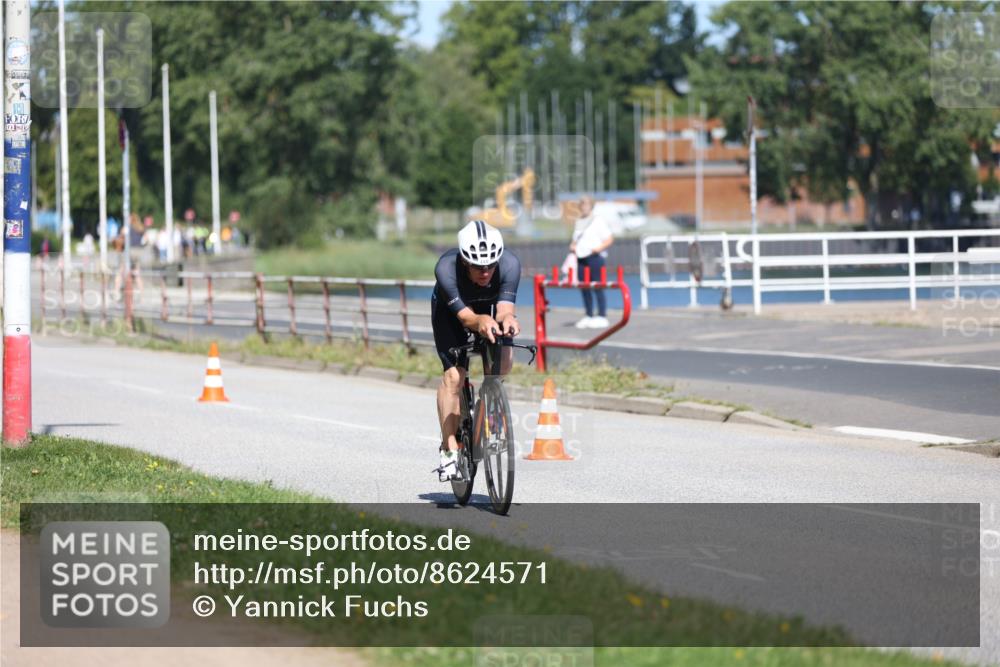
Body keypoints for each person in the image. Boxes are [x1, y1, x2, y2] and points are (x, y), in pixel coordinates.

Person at [431, 220, 521, 482]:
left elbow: (504, 309)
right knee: (454, 378)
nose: (485, 272)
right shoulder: (446, 269)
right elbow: (467, 319)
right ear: (464, 261)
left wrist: (508, 320)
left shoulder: (510, 264)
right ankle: (448, 448)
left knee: (504, 358)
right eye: (478, 267)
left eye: (491, 266)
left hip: (488, 309)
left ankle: (489, 407)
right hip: (452, 315)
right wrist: (481, 321)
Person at [569, 195, 614, 328]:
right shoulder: (579, 221)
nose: (584, 207)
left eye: (587, 204)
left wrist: (597, 249)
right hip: (581, 257)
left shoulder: (598, 220)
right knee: (584, 287)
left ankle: (602, 315)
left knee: (597, 286)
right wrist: (572, 246)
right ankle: (588, 314)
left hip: (595, 257)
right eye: (582, 204)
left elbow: (609, 238)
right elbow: (576, 239)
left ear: (591, 206)